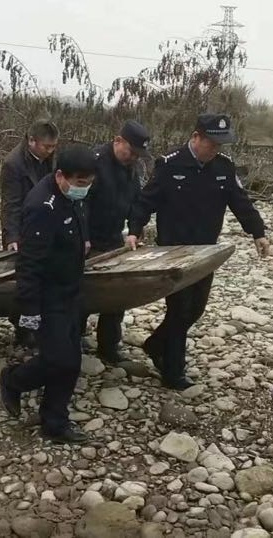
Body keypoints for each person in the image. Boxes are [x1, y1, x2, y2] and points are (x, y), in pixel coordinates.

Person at [127, 113, 270, 390]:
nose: (215, 149)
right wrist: (135, 228)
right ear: (196, 137)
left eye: (220, 145)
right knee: (179, 309)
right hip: (174, 250)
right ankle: (173, 371)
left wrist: (258, 232)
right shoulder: (170, 164)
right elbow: (146, 201)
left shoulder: (224, 167)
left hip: (205, 250)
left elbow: (241, 202)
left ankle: (156, 344)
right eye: (211, 144)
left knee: (196, 309)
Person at [0, 144, 96, 444]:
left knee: (71, 361)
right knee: (58, 360)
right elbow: (29, 264)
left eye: (89, 182)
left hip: (70, 289)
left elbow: (77, 222)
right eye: (80, 183)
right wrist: (29, 310)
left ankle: (55, 422)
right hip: (47, 295)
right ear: (61, 176)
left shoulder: (71, 195)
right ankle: (13, 380)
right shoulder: (42, 206)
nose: (84, 188)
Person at [80, 120, 150, 365]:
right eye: (130, 151)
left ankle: (108, 346)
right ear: (118, 141)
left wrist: (134, 230)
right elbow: (81, 203)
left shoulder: (132, 168)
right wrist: (83, 236)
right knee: (83, 292)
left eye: (137, 154)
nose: (133, 157)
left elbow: (137, 202)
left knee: (116, 295)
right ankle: (74, 337)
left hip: (114, 238)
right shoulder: (95, 162)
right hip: (88, 238)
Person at [0, 119, 59, 348]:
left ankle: (43, 323)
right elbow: (11, 203)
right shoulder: (13, 164)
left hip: (48, 222)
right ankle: (23, 328)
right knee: (26, 281)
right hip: (25, 226)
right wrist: (12, 237)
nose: (50, 151)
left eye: (53, 146)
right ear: (32, 141)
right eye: (47, 146)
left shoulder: (52, 158)